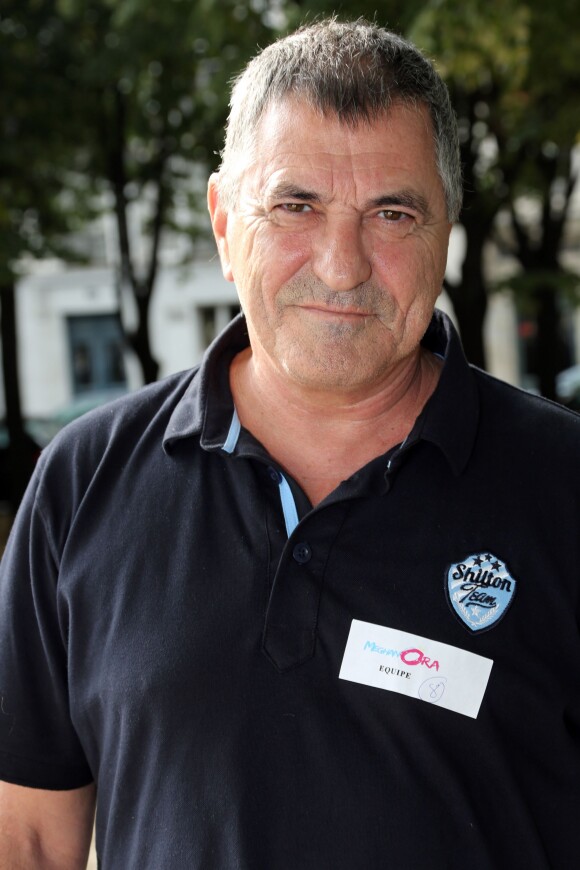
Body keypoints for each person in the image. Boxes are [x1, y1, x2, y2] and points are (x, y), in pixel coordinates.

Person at [1, 18, 579, 870]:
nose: (342, 266)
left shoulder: (564, 484)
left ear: (445, 229)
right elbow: (31, 839)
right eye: (295, 205)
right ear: (225, 220)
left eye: (392, 211)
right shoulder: (83, 482)